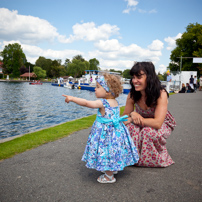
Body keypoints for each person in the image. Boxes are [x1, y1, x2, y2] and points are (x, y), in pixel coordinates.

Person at [63, 73, 139, 183]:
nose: (95, 89)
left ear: (108, 90)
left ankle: (109, 176)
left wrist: (72, 98)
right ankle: (113, 168)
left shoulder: (102, 102)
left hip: (105, 133)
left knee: (106, 151)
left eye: (98, 87)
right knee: (113, 150)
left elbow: (86, 103)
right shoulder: (115, 102)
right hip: (116, 131)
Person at [123, 62, 176, 167]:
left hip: (162, 123)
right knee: (131, 128)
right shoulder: (132, 94)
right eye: (133, 77)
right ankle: (133, 157)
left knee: (148, 132)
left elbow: (157, 123)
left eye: (139, 77)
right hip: (142, 122)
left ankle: (153, 159)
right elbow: (125, 118)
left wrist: (133, 119)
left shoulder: (161, 94)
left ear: (150, 77)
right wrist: (132, 113)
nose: (134, 81)